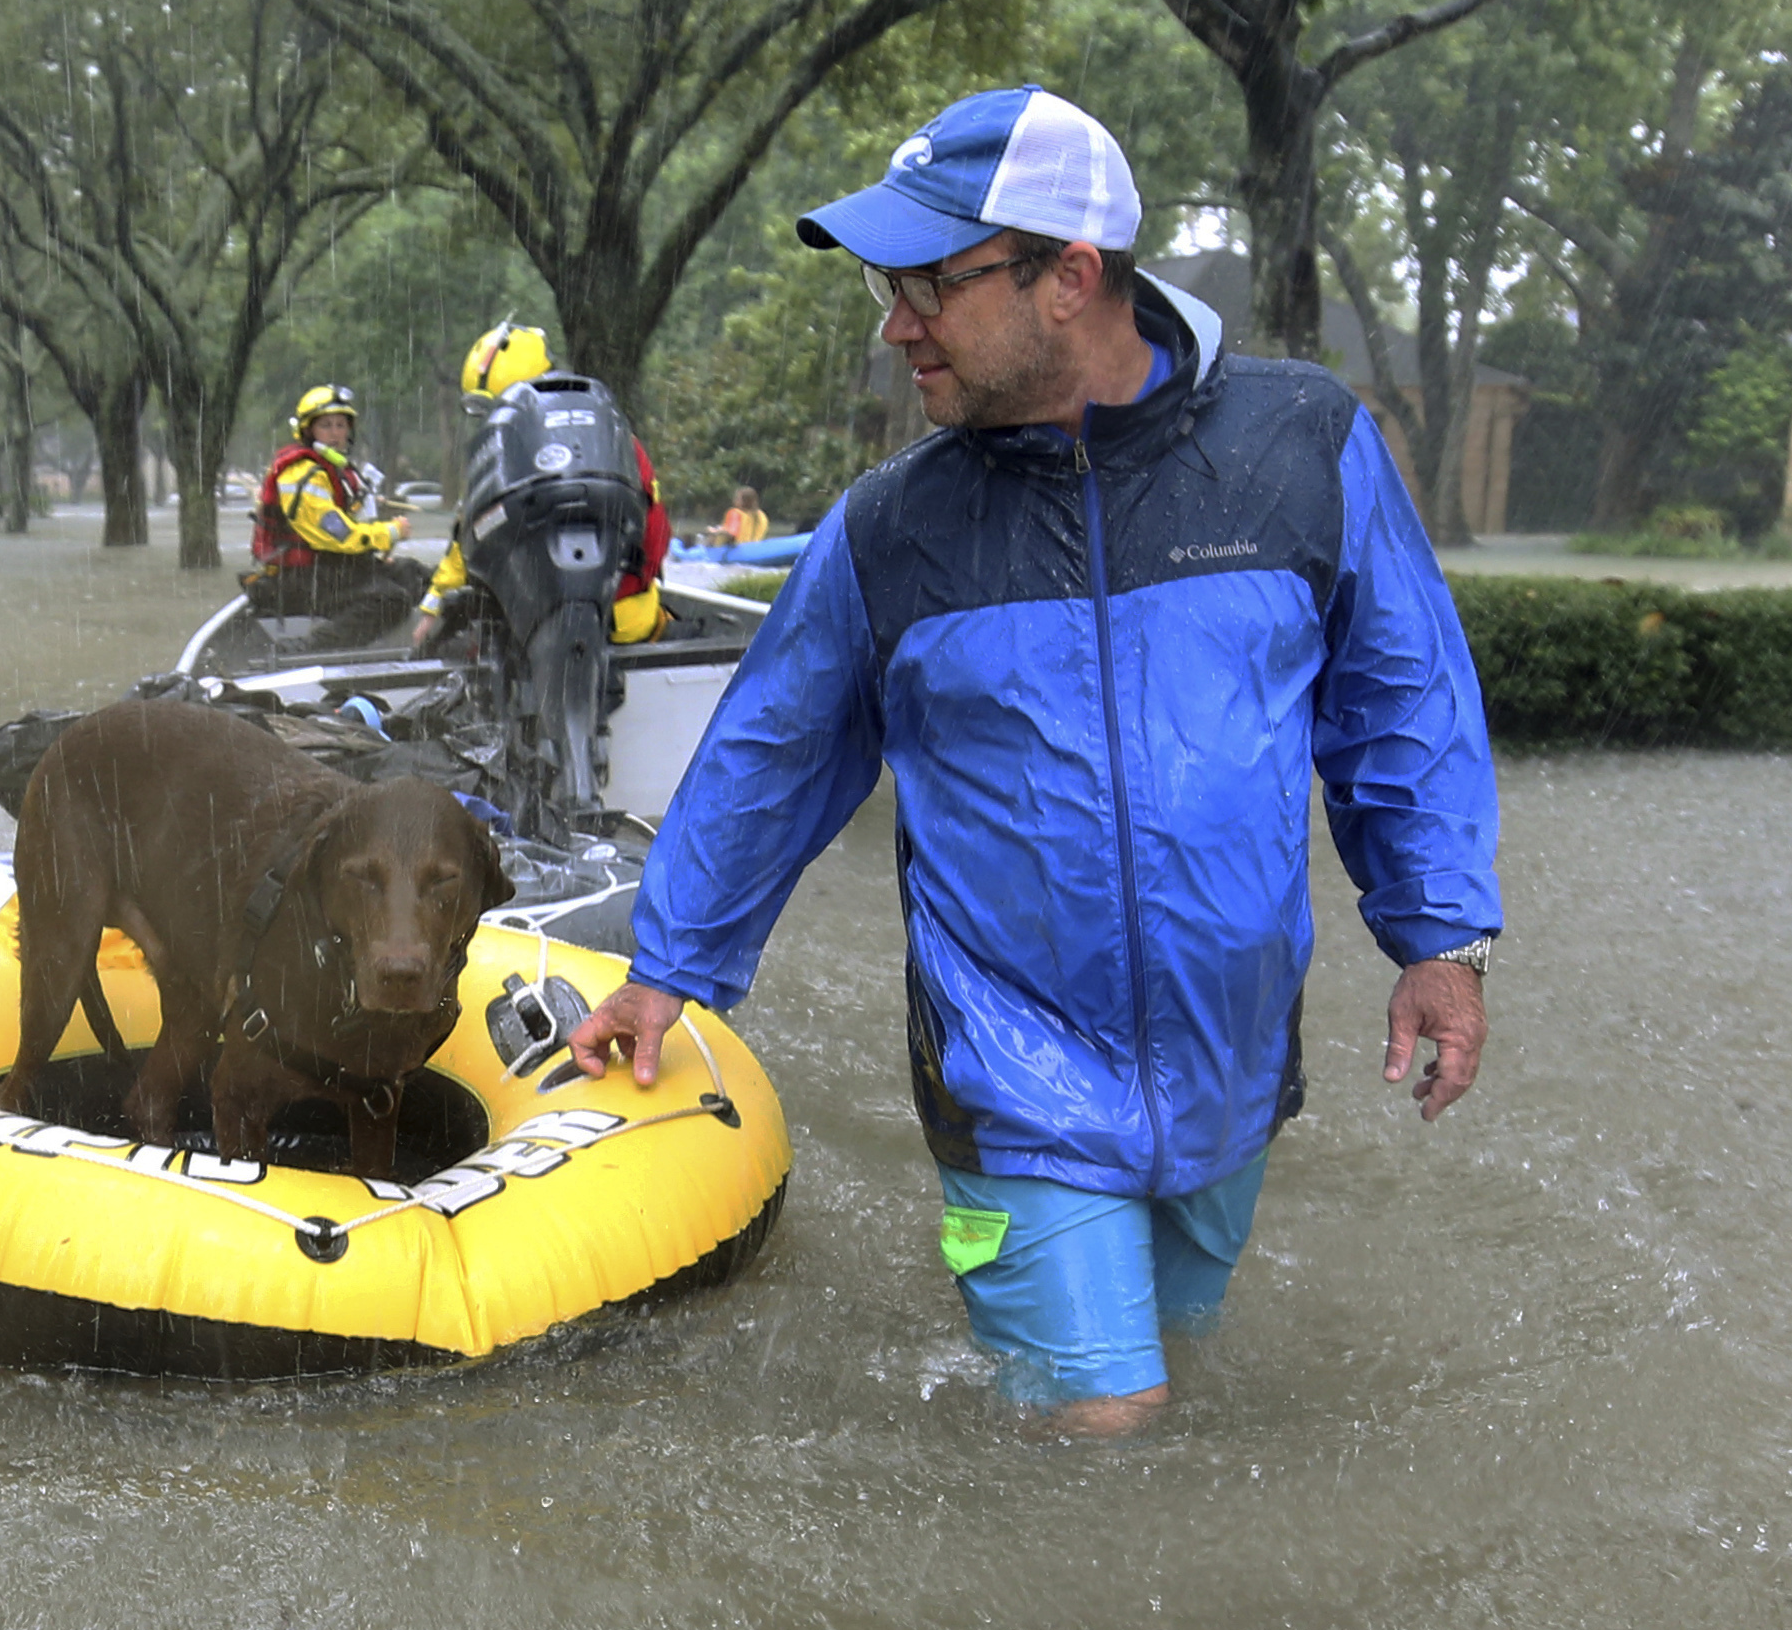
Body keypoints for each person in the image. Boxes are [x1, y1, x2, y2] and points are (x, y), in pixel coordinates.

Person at [564, 85, 1501, 1435]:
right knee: (1102, 1428)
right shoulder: (893, 528)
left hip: (1229, 1064)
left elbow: (1399, 695)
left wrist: (1442, 938)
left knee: (1180, 1385)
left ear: (1069, 276)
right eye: (888, 289)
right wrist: (670, 969)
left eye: (928, 285)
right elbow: (773, 748)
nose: (896, 326)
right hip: (1009, 1072)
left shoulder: (1305, 448)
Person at [407, 320, 671, 650]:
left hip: (538, 634)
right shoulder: (614, 441)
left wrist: (435, 609)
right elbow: (657, 535)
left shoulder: (508, 459)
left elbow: (472, 539)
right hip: (629, 626)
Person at [247, 383, 422, 643]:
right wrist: (388, 533)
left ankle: (435, 647)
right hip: (300, 578)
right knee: (390, 600)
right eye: (326, 426)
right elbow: (334, 535)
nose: (335, 433)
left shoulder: (332, 469)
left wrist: (374, 543)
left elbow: (350, 520)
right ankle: (308, 650)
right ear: (308, 431)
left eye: (341, 425)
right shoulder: (302, 473)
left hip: (329, 569)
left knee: (414, 574)